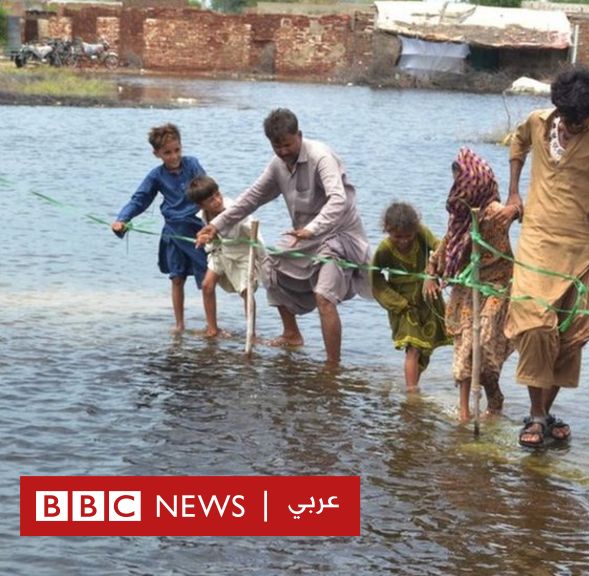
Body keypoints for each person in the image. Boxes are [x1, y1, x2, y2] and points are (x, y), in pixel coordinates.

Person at [498, 67, 589, 449]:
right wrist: (513, 195)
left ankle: (540, 416)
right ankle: (539, 413)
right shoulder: (538, 123)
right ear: (558, 107)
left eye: (582, 119)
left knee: (567, 336)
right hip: (537, 242)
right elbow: (517, 144)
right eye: (569, 118)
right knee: (535, 325)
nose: (574, 126)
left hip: (583, 249)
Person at [195, 108, 371, 366]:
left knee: (324, 295)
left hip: (338, 235)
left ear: (298, 135)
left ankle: (333, 365)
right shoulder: (277, 164)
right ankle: (292, 334)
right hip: (304, 236)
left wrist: (313, 228)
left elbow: (338, 200)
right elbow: (252, 197)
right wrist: (217, 225)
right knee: (269, 266)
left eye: (288, 145)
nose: (283, 151)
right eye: (277, 147)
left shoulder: (320, 156)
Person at [423, 148, 516, 422]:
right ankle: (464, 411)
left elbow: (520, 213)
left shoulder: (496, 213)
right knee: (465, 345)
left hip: (496, 286)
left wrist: (517, 208)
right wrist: (431, 272)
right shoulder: (460, 216)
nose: (458, 190)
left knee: (485, 341)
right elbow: (447, 246)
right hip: (467, 288)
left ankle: (494, 397)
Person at [110, 123, 211, 333]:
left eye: (177, 150)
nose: (174, 157)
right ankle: (179, 324)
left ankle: (212, 326)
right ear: (157, 154)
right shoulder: (156, 176)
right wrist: (122, 219)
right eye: (167, 153)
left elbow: (207, 190)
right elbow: (139, 199)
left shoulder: (192, 165)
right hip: (173, 232)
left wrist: (217, 221)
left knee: (206, 279)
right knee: (176, 277)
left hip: (197, 231)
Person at [371, 202, 450, 392]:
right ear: (387, 230)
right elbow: (376, 280)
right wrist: (398, 302)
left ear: (415, 229)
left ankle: (414, 383)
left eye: (408, 236)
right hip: (404, 305)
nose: (403, 241)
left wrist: (432, 272)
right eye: (397, 236)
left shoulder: (422, 234)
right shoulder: (384, 249)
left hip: (428, 298)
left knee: (426, 347)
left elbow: (440, 247)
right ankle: (411, 392)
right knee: (412, 347)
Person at [186, 175, 266, 338]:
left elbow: (236, 232)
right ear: (202, 205)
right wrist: (207, 238)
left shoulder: (234, 209)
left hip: (241, 254)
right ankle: (212, 328)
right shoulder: (204, 214)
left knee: (246, 292)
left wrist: (264, 260)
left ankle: (252, 333)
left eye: (217, 195)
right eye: (211, 200)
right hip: (220, 252)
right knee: (207, 285)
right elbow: (213, 235)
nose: (217, 200)